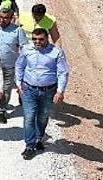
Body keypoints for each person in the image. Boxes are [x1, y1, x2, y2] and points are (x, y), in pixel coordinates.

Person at [16, 28, 69, 160]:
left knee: (43, 116)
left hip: (48, 91)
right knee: (29, 117)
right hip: (29, 90)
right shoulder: (26, 50)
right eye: (34, 39)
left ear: (47, 38)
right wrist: (18, 83)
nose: (37, 42)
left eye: (40, 39)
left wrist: (60, 91)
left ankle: (39, 138)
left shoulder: (56, 52)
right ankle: (29, 146)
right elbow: (19, 66)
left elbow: (62, 72)